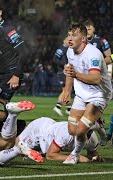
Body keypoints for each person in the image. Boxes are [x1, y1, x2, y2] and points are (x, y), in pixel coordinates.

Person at [61, 23, 112, 164]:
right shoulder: (70, 51)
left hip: (99, 94)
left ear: (83, 39)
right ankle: (96, 124)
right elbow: (70, 71)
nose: (70, 38)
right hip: (81, 94)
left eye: (74, 35)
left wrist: (76, 75)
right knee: (72, 130)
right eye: (69, 34)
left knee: (81, 130)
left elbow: (95, 79)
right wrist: (66, 91)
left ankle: (75, 155)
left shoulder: (93, 54)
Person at [0, 1, 29, 131]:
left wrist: (16, 75)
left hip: (10, 76)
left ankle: (19, 129)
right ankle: (12, 132)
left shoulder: (7, 29)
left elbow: (24, 52)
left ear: (0, 13)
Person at [1, 117, 102, 163]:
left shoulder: (92, 139)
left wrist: (95, 157)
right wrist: (77, 157)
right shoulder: (66, 133)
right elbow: (50, 155)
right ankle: (12, 117)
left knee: (26, 150)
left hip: (50, 133)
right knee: (11, 147)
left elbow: (92, 153)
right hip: (40, 129)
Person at [83, 19, 113, 144]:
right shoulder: (81, 43)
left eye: (90, 28)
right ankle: (100, 130)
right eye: (86, 29)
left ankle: (102, 132)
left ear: (94, 29)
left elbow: (110, 57)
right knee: (87, 107)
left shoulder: (101, 41)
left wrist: (97, 64)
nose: (88, 31)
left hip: (100, 78)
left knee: (95, 106)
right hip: (85, 78)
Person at [52, 36, 71, 117]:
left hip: (66, 71)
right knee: (66, 90)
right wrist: (63, 64)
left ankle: (69, 109)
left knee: (68, 90)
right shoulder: (61, 49)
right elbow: (55, 59)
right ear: (64, 40)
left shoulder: (68, 49)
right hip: (62, 72)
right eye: (68, 40)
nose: (69, 41)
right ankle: (58, 106)